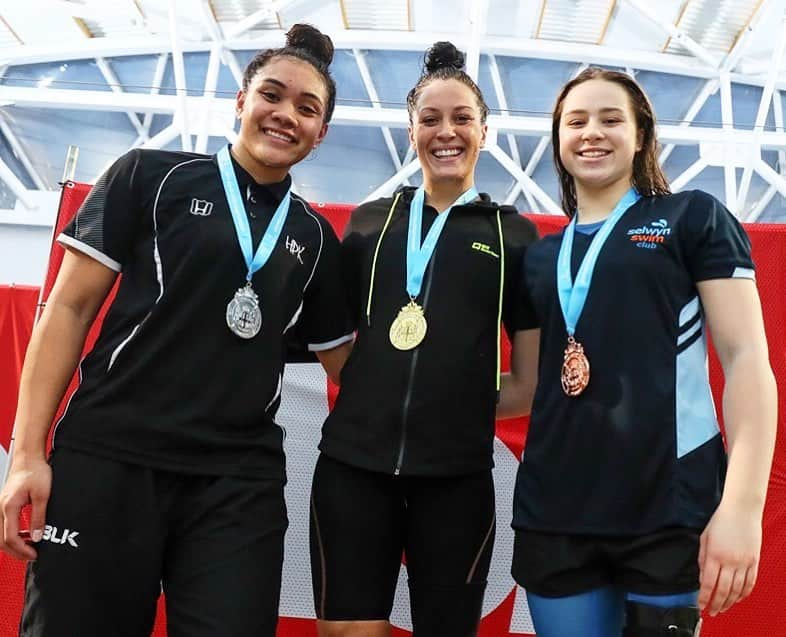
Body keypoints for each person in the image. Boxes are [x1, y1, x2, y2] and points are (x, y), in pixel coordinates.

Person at [0, 24, 353, 637]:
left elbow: (347, 365)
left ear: (320, 135)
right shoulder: (149, 175)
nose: (285, 115)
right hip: (109, 459)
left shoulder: (317, 239)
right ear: (242, 101)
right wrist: (27, 454)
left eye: (307, 108)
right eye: (272, 95)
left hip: (236, 486)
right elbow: (67, 310)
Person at [504, 67, 777, 637]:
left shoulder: (691, 218)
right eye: (576, 121)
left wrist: (743, 508)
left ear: (642, 135)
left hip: (667, 513)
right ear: (557, 139)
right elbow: (524, 388)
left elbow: (747, 358)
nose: (592, 132)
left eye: (611, 119)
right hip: (555, 516)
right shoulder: (535, 255)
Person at [308, 42, 539, 637]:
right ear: (411, 130)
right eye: (430, 119)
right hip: (353, 470)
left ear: (484, 130)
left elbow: (530, 381)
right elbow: (334, 343)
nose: (447, 132)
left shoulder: (513, 235)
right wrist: (373, 392)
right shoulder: (367, 222)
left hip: (457, 479)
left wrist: (461, 409)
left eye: (462, 118)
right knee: (347, 631)